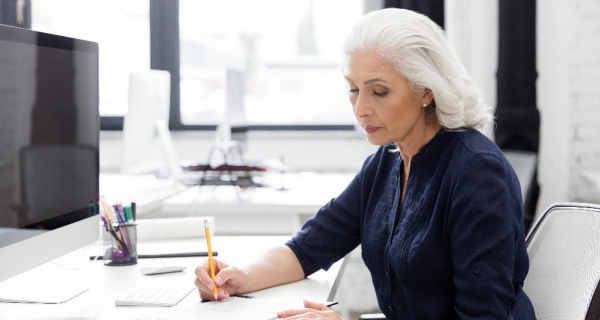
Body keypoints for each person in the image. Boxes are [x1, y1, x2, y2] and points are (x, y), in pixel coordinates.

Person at [195, 8, 537, 319]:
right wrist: (241, 277)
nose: (360, 109)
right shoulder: (386, 163)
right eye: (354, 89)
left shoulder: (477, 174)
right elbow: (306, 249)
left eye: (379, 91)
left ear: (425, 90)